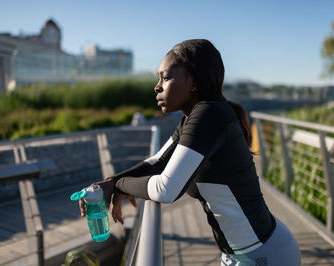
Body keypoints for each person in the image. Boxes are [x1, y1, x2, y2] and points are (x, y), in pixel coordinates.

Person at [79, 39, 301, 265]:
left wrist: (119, 186)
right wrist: (110, 182)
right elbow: (158, 162)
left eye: (165, 78)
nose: (157, 86)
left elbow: (166, 189)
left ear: (192, 80)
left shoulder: (209, 115)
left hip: (262, 255)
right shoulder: (194, 117)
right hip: (245, 251)